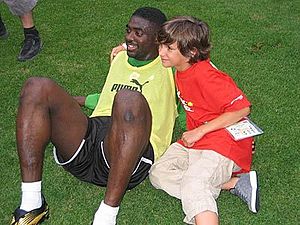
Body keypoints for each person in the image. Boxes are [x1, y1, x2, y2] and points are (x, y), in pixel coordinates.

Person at [10, 7, 177, 225]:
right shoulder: (120, 58)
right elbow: (106, 96)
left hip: (132, 155)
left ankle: (106, 217)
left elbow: (191, 44)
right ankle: (32, 203)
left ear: (158, 40)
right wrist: (63, 102)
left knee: (128, 98)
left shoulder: (171, 67)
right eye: (128, 30)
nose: (129, 37)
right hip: (89, 143)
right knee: (36, 86)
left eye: (138, 33)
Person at [149, 16, 260, 225]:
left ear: (191, 52)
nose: (161, 52)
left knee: (194, 181)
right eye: (161, 45)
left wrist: (199, 132)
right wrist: (124, 48)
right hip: (196, 141)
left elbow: (243, 108)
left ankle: (205, 191)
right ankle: (234, 183)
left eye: (169, 48)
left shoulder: (207, 77)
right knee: (158, 174)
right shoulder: (181, 67)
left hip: (223, 142)